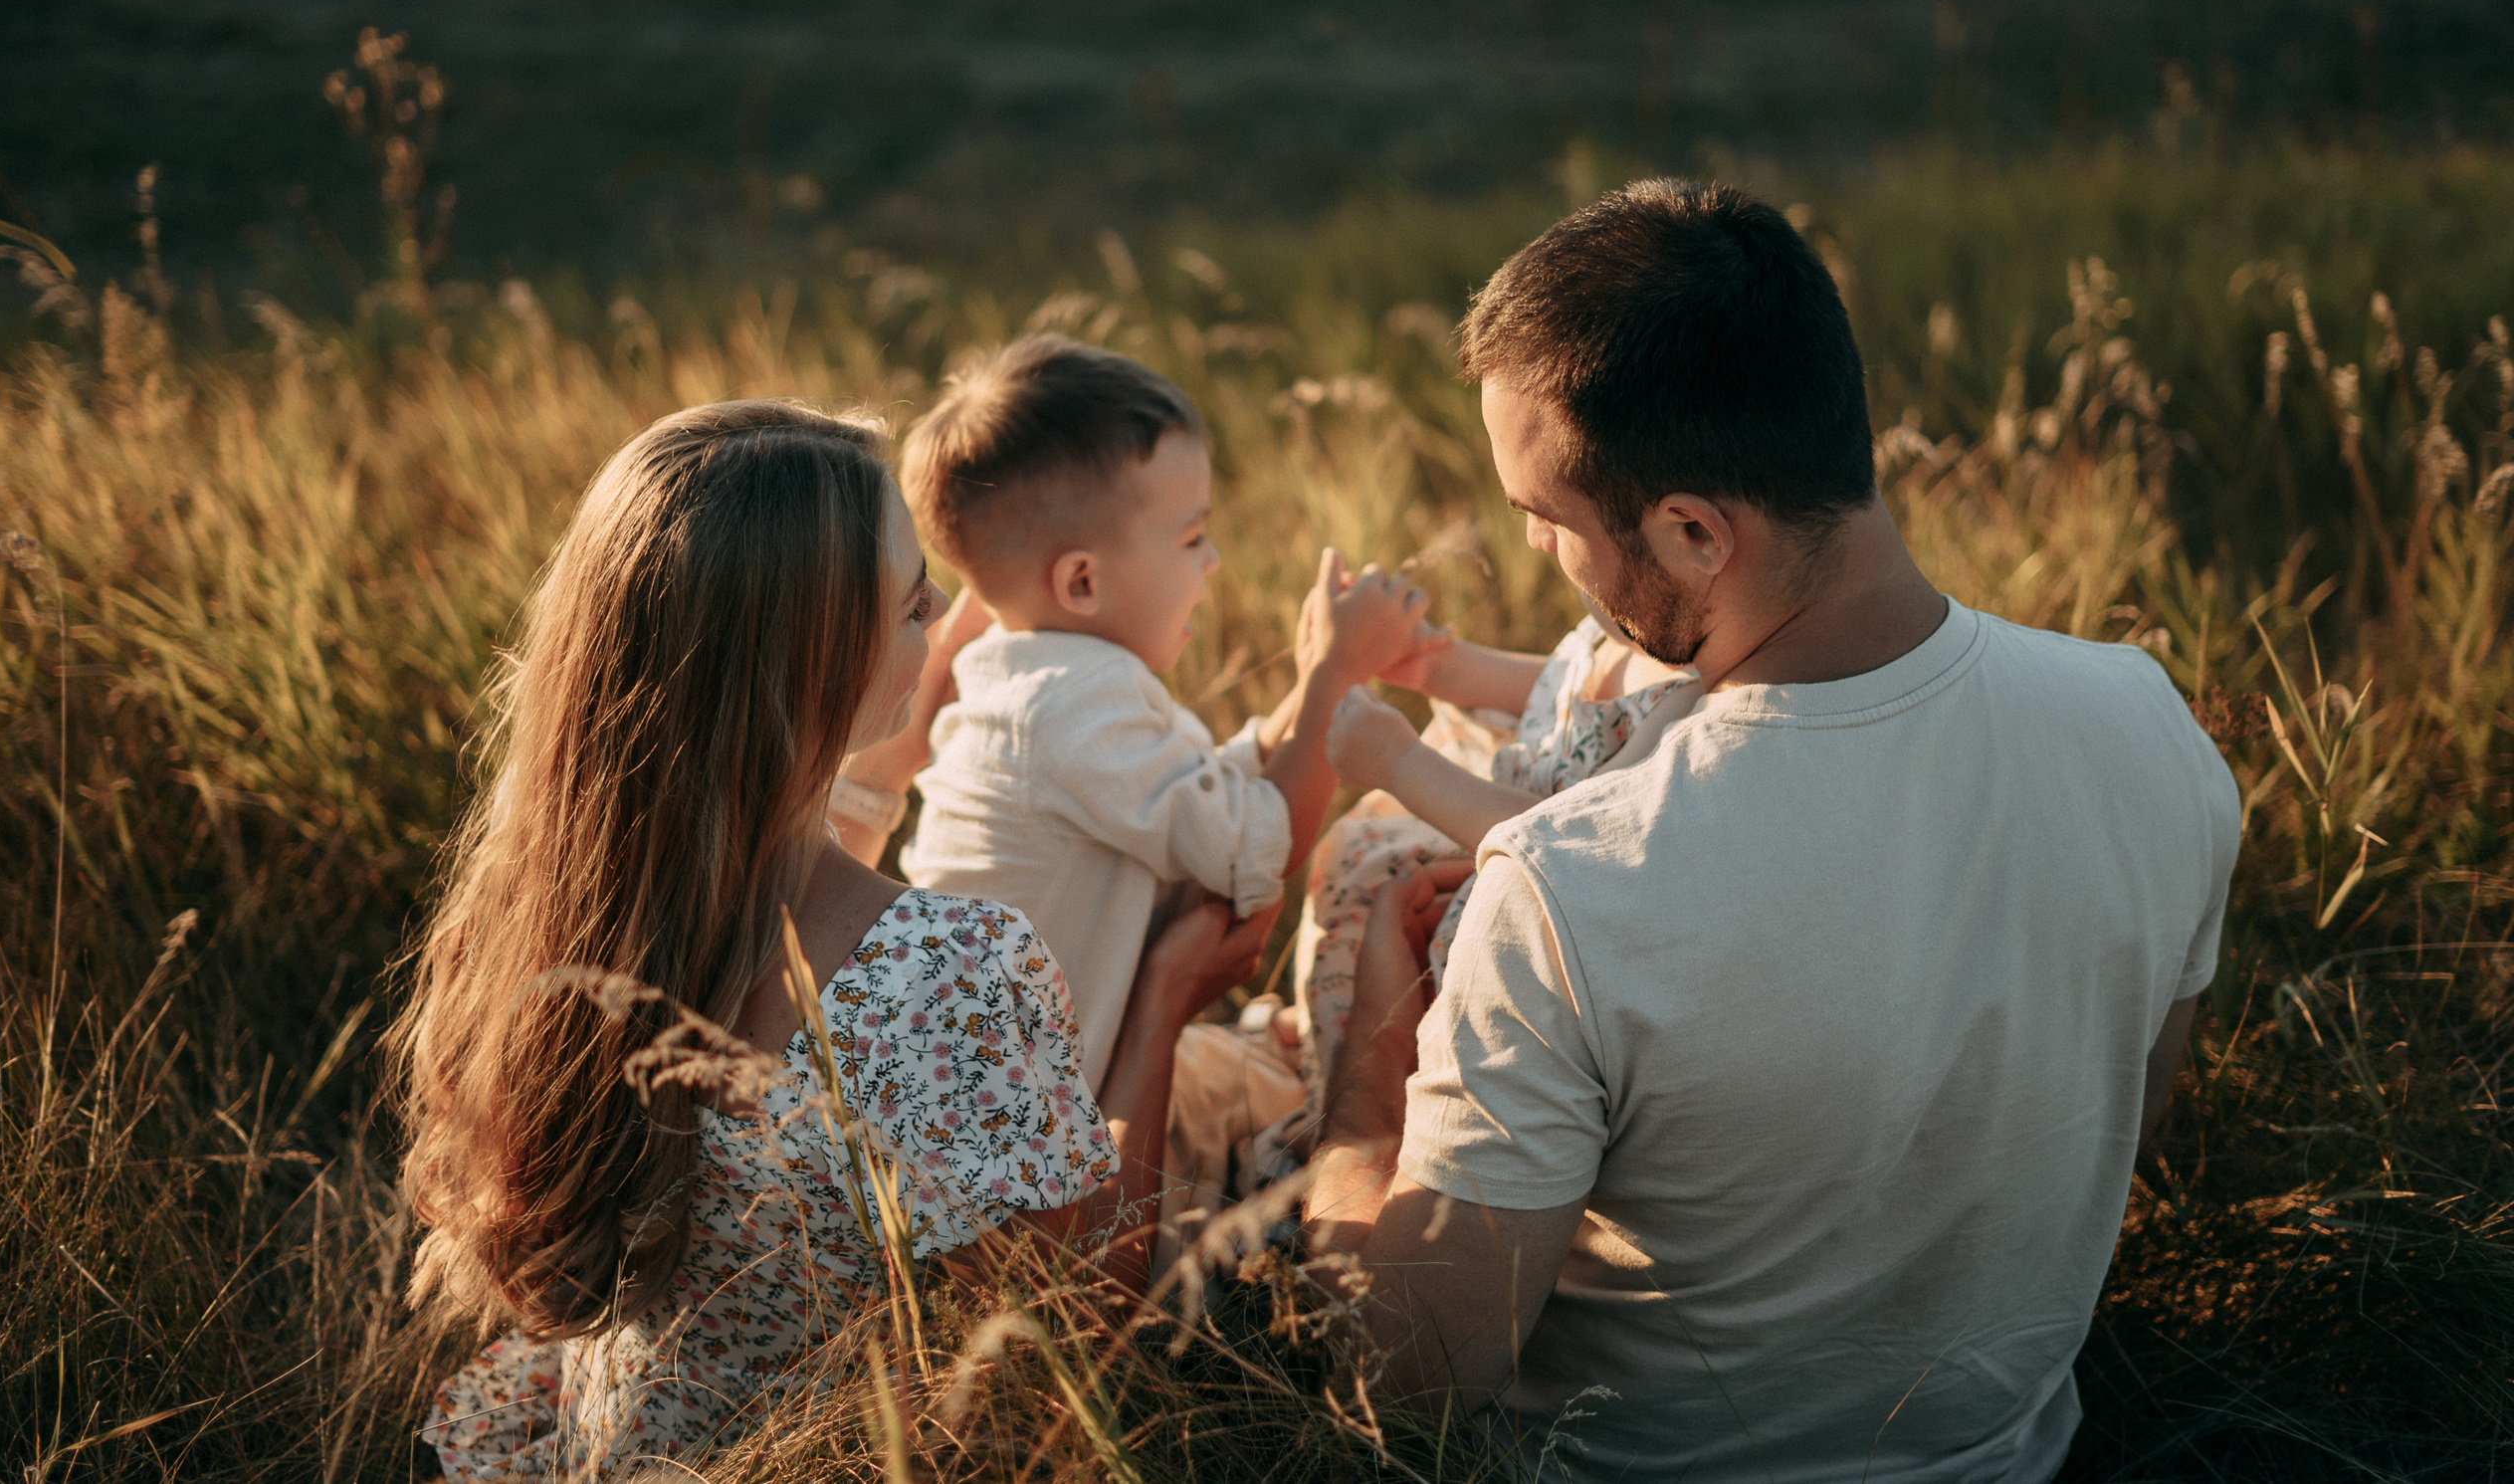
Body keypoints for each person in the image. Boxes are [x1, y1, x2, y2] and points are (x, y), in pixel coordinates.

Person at [1304, 180, 2241, 1484]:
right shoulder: (2148, 723)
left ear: (1693, 530)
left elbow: (1417, 1378)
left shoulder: (1573, 886)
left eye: (1549, 517)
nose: (1532, 545)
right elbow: (2127, 1125)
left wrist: (1361, 1103)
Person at [393, 400, 1273, 1480]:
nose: (946, 608)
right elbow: (1069, 1329)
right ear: (809, 667)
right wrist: (1166, 1001)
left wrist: (868, 772)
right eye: (911, 605)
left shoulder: (535, 900)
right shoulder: (939, 971)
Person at [894, 335, 1432, 1259]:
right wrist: (1332, 678)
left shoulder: (1036, 680)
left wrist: (1287, 720)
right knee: (1336, 1148)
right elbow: (1260, 847)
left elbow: (1196, 795)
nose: (1213, 560)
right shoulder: (1070, 703)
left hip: (1048, 1114)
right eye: (1190, 538)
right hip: (1037, 1186)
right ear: (1083, 581)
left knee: (1292, 1083)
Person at [1293, 597, 1695, 1109]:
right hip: (1491, 864)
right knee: (1365, 859)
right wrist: (1429, 663)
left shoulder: (1683, 705)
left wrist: (1400, 764)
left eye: (1563, 524)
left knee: (1389, 916)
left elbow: (1568, 842)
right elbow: (1534, 689)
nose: (1540, 541)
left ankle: (1371, 1127)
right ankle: (1328, 1084)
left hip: (1527, 925)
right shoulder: (1607, 644)